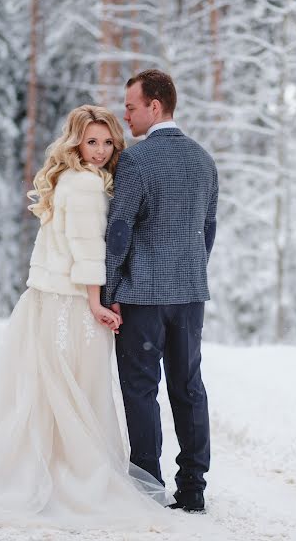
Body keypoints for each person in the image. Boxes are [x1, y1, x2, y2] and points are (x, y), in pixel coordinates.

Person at [0, 105, 173, 532]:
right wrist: (97, 302)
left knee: (47, 393)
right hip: (73, 302)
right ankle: (73, 479)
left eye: (108, 142)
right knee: (77, 393)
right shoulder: (87, 187)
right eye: (92, 142)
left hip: (46, 298)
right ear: (76, 142)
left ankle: (40, 472)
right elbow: (88, 250)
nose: (102, 150)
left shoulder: (68, 180)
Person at [102, 70, 218, 513]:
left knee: (140, 389)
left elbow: (118, 230)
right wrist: (189, 270)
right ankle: (192, 489)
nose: (125, 115)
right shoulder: (204, 160)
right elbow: (208, 228)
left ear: (155, 106)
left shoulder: (135, 161)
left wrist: (111, 288)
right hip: (189, 296)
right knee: (188, 387)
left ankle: (148, 487)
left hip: (141, 299)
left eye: (130, 106)